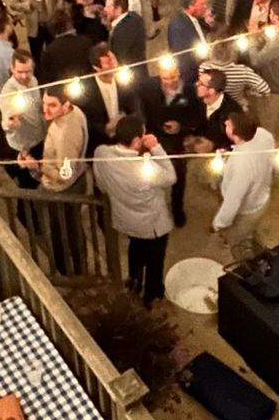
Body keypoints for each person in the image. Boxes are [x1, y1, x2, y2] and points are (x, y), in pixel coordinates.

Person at [92, 113, 175, 302]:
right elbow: (171, 177)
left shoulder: (101, 153)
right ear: (137, 141)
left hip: (127, 220)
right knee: (155, 260)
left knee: (135, 250)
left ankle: (134, 283)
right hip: (153, 225)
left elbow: (102, 183)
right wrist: (157, 148)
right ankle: (152, 293)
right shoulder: (145, 168)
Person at [137, 61, 200, 228]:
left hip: (177, 140)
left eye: (173, 77)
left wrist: (181, 126)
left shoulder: (190, 91)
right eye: (165, 78)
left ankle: (177, 208)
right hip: (153, 136)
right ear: (159, 74)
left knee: (179, 176)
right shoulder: (148, 86)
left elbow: (196, 116)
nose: (170, 81)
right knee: (147, 176)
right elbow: (141, 107)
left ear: (178, 72)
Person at [213, 110, 276, 259]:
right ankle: (262, 251)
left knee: (238, 244)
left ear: (238, 135)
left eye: (229, 125)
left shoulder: (241, 164)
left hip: (246, 211)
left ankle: (249, 271)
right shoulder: (264, 134)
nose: (226, 123)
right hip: (261, 198)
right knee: (253, 229)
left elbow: (233, 200)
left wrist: (220, 223)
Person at [20, 85, 89, 192]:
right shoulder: (74, 110)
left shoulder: (66, 136)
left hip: (59, 190)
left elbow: (65, 175)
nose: (45, 109)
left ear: (65, 105)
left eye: (52, 105)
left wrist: (37, 165)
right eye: (44, 103)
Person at [208, 39, 275, 125]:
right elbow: (265, 89)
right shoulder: (242, 70)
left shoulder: (204, 68)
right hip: (238, 108)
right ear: (232, 53)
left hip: (215, 110)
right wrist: (251, 92)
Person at [0, 50, 45, 172]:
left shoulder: (33, 80)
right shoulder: (8, 92)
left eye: (28, 71)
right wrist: (10, 124)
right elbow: (6, 122)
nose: (24, 76)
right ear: (12, 69)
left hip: (39, 137)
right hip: (24, 147)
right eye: (20, 72)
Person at [79, 43, 130, 145]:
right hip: (99, 142)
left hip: (124, 139)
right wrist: (105, 129)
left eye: (113, 59)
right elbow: (84, 120)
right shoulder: (85, 89)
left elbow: (136, 108)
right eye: (108, 63)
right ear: (96, 68)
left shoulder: (126, 80)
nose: (114, 65)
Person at [166, 0, 214, 90]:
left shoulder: (195, 18)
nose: (205, 7)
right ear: (191, 6)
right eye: (202, 4)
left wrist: (209, 21)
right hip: (192, 76)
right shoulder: (179, 27)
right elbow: (184, 59)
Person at [186, 66, 239, 153]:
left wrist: (213, 145)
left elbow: (236, 142)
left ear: (212, 91)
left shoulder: (232, 112)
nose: (196, 84)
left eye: (201, 84)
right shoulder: (198, 99)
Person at [40, 6, 91, 82]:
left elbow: (47, 79)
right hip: (87, 85)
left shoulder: (49, 51)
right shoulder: (86, 42)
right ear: (70, 24)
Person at [101, 0, 147, 67]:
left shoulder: (122, 32)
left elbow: (119, 58)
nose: (105, 9)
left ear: (119, 9)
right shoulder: (133, 17)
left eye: (108, 7)